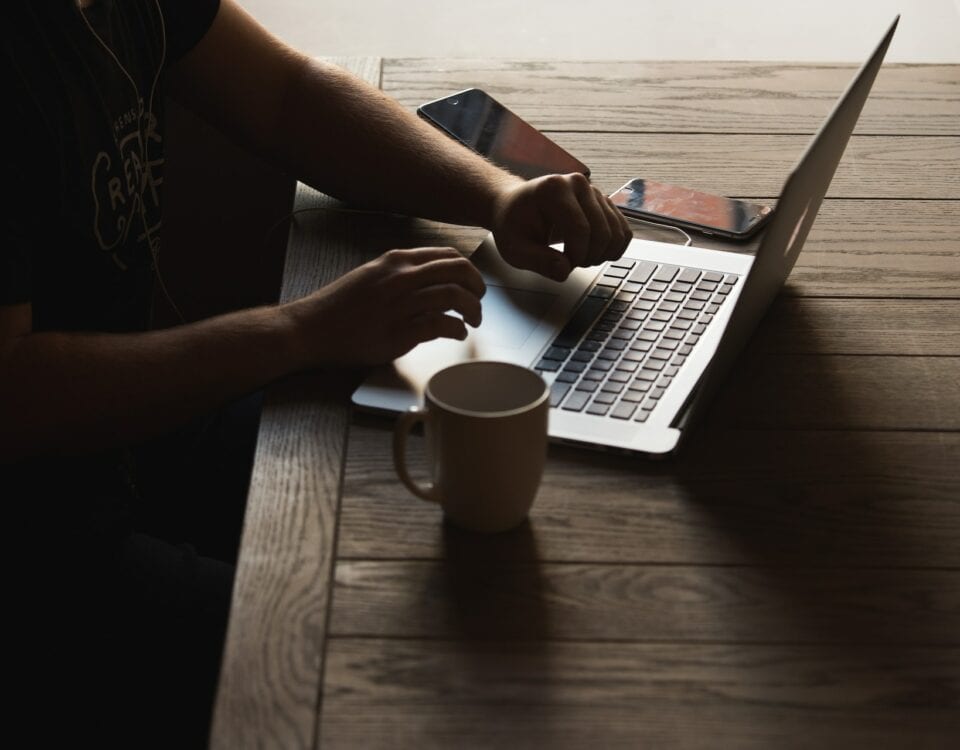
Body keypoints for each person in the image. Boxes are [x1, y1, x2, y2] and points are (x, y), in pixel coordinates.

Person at [1, 0, 631, 746]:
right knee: (371, 668)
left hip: (129, 440)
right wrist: (304, 329)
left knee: (400, 469)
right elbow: (14, 393)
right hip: (39, 544)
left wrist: (497, 195)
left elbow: (288, 96)